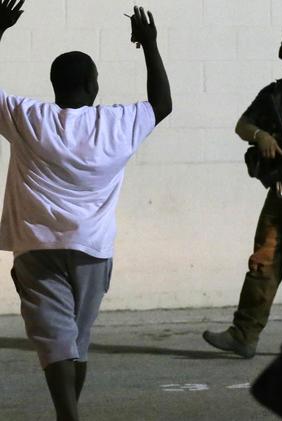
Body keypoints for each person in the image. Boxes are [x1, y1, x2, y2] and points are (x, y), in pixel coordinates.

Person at [0, 2, 171, 421]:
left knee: (54, 339)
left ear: (54, 84)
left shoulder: (29, 117)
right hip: (93, 251)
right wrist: (149, 44)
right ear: (93, 86)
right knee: (77, 338)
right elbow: (161, 103)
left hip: (37, 248)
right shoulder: (115, 123)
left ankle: (68, 416)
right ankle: (69, 415)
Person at [203, 25, 282, 359]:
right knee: (262, 264)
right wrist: (260, 136)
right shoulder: (274, 95)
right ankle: (243, 334)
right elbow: (242, 125)